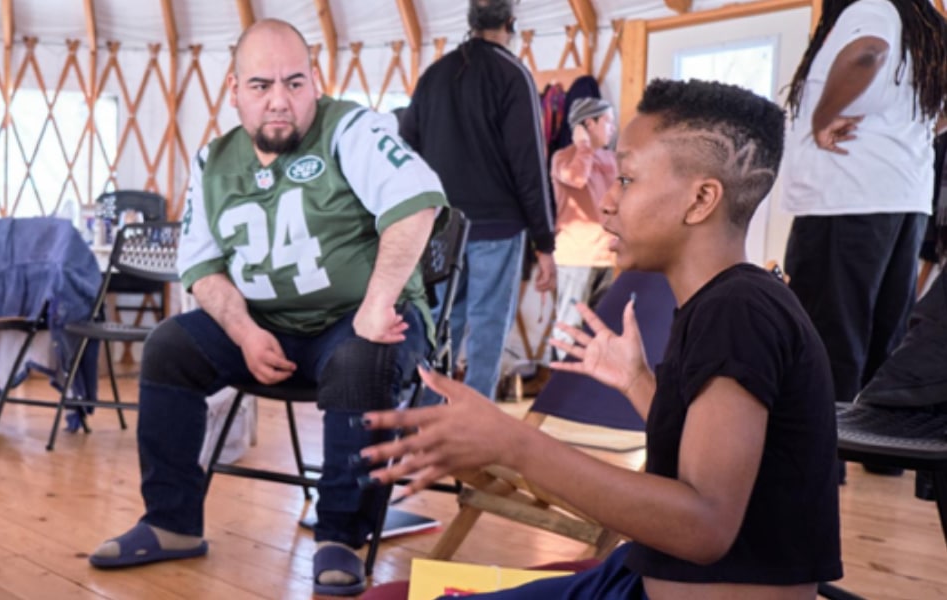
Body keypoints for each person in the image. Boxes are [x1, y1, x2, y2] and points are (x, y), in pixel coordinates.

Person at [359, 79, 843, 599]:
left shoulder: (738, 311)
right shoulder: (723, 302)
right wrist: (637, 382)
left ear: (701, 199)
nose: (607, 202)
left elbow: (705, 525)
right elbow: (708, 458)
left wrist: (514, 442)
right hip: (633, 577)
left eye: (627, 179)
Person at [87, 18, 447, 597]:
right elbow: (201, 267)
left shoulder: (350, 129)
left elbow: (415, 203)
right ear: (233, 91)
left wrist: (378, 302)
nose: (279, 100)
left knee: (363, 358)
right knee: (169, 347)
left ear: (315, 82)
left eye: (294, 83)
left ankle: (340, 535)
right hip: (265, 329)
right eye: (260, 85)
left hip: (355, 323)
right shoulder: (213, 161)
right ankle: (171, 521)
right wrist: (245, 332)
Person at [779, 0, 947, 476]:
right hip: (904, 194)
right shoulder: (928, 26)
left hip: (845, 194)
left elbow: (866, 52)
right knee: (883, 331)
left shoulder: (871, 6)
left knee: (829, 329)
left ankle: (822, 460)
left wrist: (822, 116)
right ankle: (881, 454)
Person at [398, 0, 556, 400]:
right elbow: (529, 166)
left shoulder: (433, 76)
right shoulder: (513, 75)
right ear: (511, 22)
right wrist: (545, 243)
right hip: (498, 227)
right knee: (488, 326)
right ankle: (478, 428)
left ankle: (422, 413)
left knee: (438, 320)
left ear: (469, 22)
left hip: (441, 227)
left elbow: (405, 150)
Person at [548, 97, 618, 361]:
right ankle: (560, 397)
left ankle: (590, 396)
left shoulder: (611, 159)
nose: (612, 129)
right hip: (575, 256)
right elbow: (577, 178)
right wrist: (584, 145)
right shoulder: (562, 158)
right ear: (589, 123)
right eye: (608, 122)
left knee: (602, 329)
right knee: (570, 327)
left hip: (607, 254)